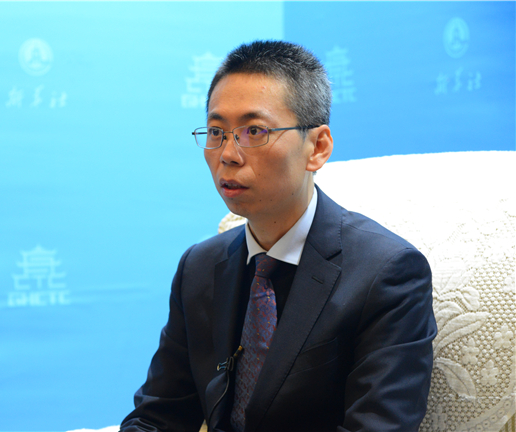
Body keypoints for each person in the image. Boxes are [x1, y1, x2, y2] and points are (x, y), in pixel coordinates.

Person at [120, 40, 437, 432]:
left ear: (317, 147)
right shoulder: (199, 267)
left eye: (254, 131)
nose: (228, 154)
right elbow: (157, 417)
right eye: (217, 131)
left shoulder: (386, 274)